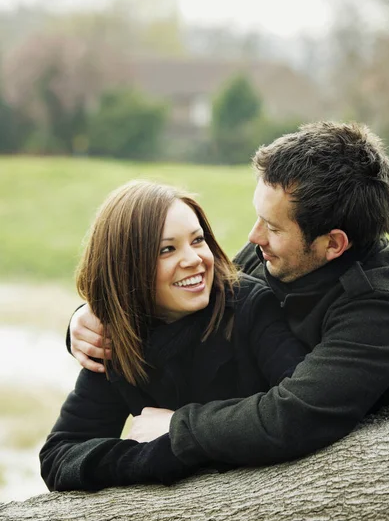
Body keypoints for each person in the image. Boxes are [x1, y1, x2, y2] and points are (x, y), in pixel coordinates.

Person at [69, 121, 389, 477]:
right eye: (260, 217)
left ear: (333, 244)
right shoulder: (274, 253)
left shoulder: (379, 307)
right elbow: (191, 294)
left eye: (272, 227)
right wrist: (91, 317)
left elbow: (294, 415)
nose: (253, 236)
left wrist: (180, 428)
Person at [40, 180, 308, 491]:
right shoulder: (119, 336)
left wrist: (179, 433)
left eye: (197, 240)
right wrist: (149, 457)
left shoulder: (250, 306)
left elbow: (296, 412)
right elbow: (59, 456)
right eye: (167, 249)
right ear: (126, 266)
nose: (194, 259)